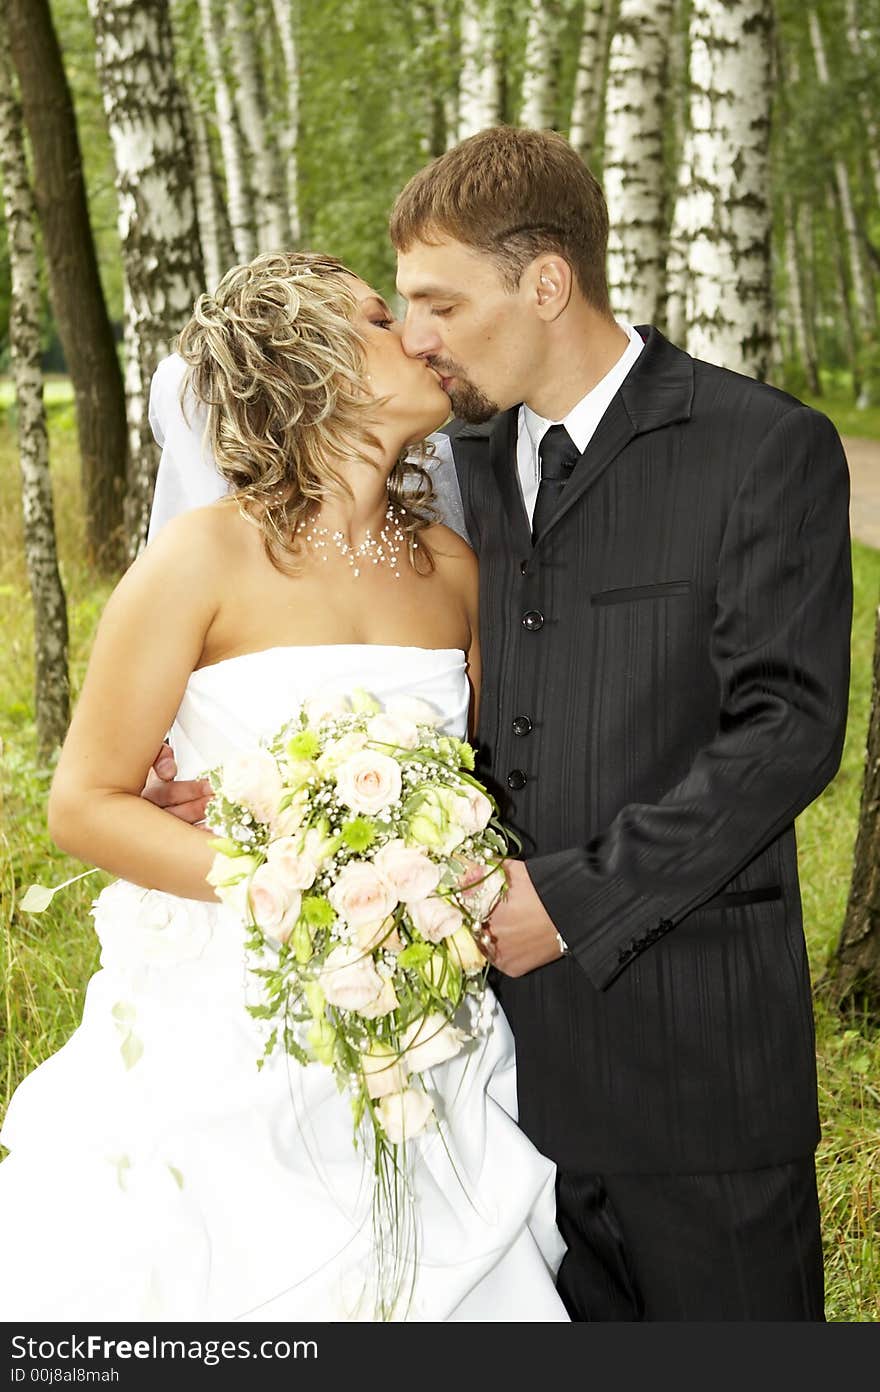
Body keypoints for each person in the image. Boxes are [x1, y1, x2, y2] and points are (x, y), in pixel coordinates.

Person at [150, 126, 853, 1322]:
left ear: (544, 281)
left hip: (696, 1070)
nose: (413, 336)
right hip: (488, 1084)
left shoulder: (757, 448)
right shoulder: (453, 473)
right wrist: (257, 789)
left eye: (435, 301)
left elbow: (785, 729)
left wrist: (570, 900)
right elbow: (421, 695)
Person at [0, 250, 569, 1322]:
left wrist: (427, 875)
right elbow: (83, 801)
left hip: (415, 1010)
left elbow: (488, 781)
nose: (413, 333)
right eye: (371, 318)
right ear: (308, 367)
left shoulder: (454, 570)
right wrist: (289, 882)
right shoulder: (199, 561)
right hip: (233, 1010)